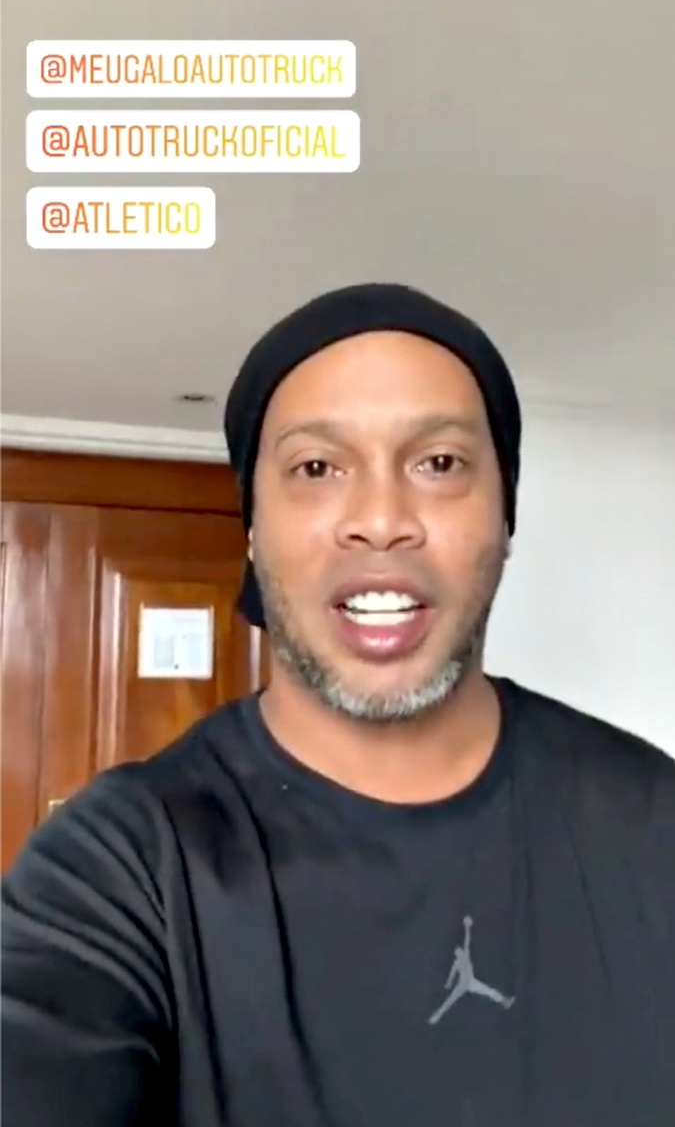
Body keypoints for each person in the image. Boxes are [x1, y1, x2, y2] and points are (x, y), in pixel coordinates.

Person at [3, 282, 674, 1127]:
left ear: (505, 516)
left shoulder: (652, 821)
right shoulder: (119, 870)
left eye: (439, 463)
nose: (380, 520)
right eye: (316, 468)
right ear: (253, 531)